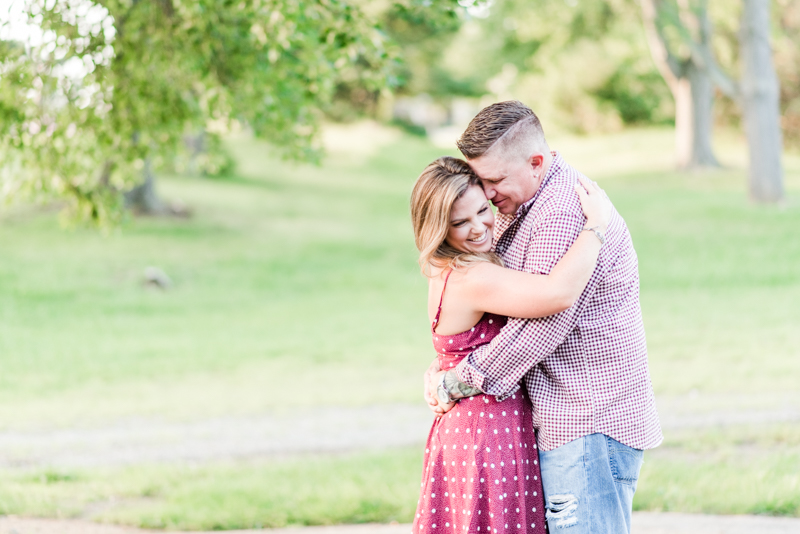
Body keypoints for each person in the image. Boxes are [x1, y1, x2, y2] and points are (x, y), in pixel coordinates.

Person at [424, 101, 663, 534]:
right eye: (482, 182)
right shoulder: (522, 204)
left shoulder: (560, 211)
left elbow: (542, 323)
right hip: (569, 421)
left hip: (585, 418)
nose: (489, 196)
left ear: (536, 162)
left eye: (495, 181)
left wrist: (457, 379)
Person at [410, 156, 611, 534]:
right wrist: (597, 226)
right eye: (459, 223)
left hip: (463, 429)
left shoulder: (443, 267)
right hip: (489, 432)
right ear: (437, 228)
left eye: (482, 211)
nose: (478, 227)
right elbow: (556, 293)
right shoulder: (473, 275)